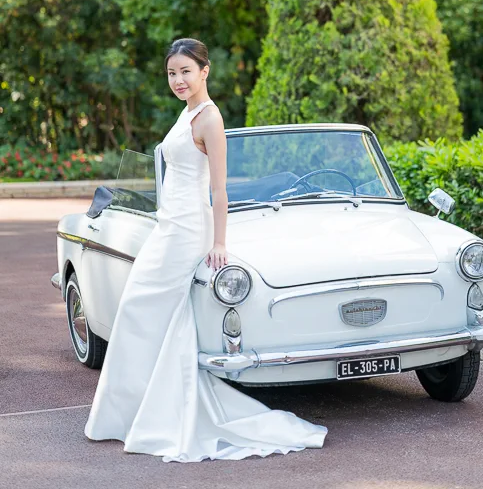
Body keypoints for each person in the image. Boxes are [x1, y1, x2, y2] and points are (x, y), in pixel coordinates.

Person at [84, 37, 328, 461]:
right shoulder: (187, 112)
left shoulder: (210, 119)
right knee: (145, 314)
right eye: (172, 73)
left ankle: (151, 416)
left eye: (185, 71)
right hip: (167, 227)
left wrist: (219, 243)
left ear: (204, 71)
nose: (178, 79)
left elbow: (219, 188)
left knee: (142, 310)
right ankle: (133, 413)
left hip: (187, 232)